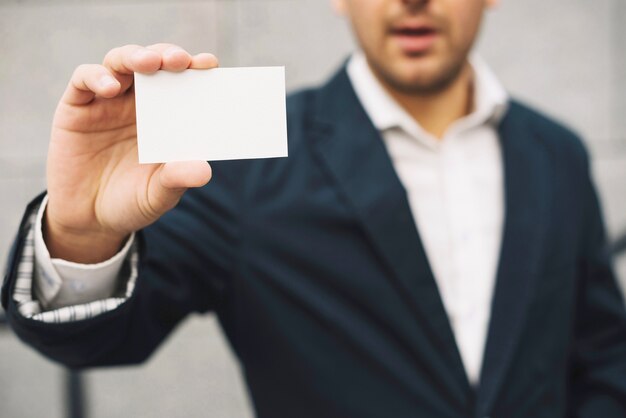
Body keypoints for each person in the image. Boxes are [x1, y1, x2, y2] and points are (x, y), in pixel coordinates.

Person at [3, 0, 626, 416]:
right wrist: (81, 234)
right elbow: (103, 339)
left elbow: (601, 352)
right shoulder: (247, 161)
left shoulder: (556, 155)